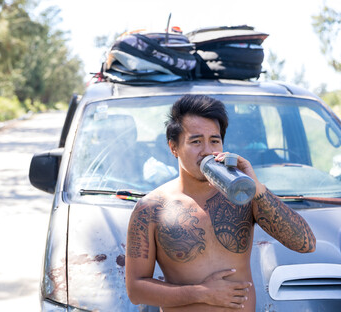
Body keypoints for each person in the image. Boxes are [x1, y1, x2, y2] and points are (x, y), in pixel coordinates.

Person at [125, 94, 316, 311]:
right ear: (173, 147)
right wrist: (201, 293)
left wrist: (257, 187)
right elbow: (135, 290)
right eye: (196, 141)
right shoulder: (150, 208)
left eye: (214, 141)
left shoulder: (242, 196)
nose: (207, 150)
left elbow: (306, 244)